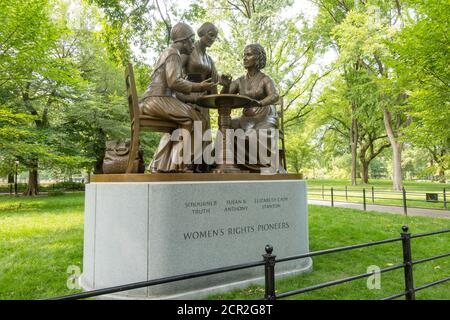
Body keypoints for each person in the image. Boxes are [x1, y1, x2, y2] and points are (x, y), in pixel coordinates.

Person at [140, 22, 215, 172]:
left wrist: (192, 98)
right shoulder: (173, 54)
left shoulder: (169, 53)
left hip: (155, 99)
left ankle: (176, 164)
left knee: (191, 119)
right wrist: (199, 87)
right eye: (191, 40)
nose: (193, 45)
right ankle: (181, 163)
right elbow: (174, 81)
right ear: (184, 40)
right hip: (158, 99)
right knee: (197, 119)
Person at [221, 43, 281, 172]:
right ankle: (232, 164)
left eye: (249, 55)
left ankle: (264, 166)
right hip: (246, 118)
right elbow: (224, 97)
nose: (245, 58)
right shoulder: (239, 81)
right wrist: (226, 86)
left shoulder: (265, 79)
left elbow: (274, 95)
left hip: (265, 116)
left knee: (260, 133)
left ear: (258, 58)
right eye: (244, 55)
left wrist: (260, 103)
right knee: (228, 126)